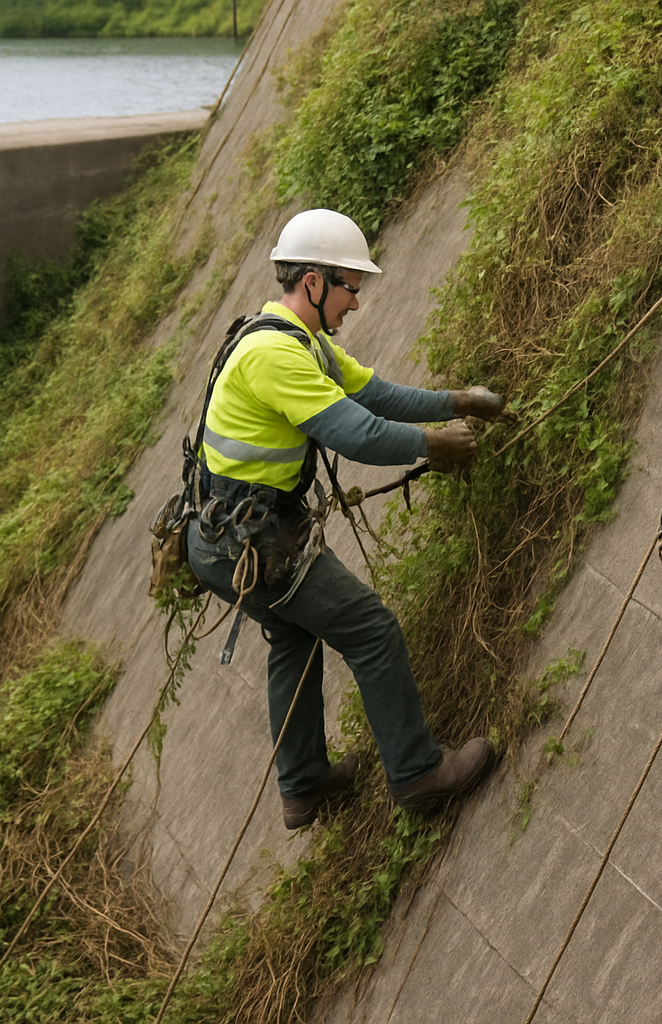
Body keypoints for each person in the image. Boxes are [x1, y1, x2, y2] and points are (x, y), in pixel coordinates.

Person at [186, 209, 505, 829]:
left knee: (294, 634)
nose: (356, 302)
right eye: (350, 286)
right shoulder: (273, 357)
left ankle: (303, 786)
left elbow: (374, 396)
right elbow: (353, 431)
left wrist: (459, 400)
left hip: (225, 536)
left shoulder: (298, 342)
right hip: (249, 542)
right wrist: (433, 445)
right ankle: (418, 776)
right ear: (312, 282)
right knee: (371, 628)